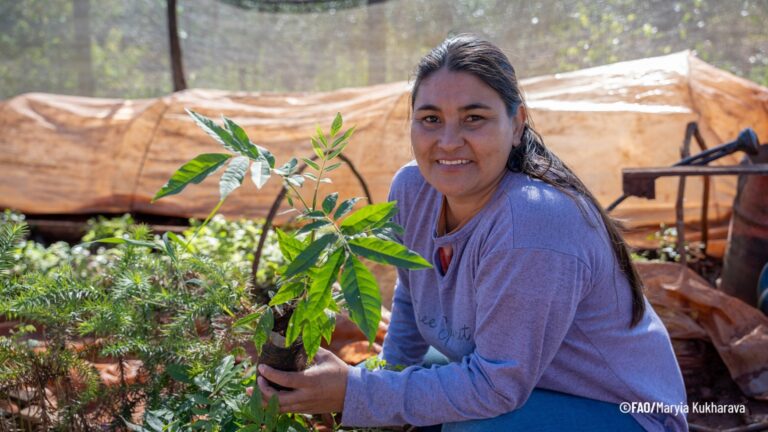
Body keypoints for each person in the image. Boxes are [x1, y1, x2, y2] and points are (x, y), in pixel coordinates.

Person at [256, 35, 688, 431]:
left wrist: (357, 392)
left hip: (625, 412)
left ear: (516, 124)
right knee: (420, 382)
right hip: (533, 386)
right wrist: (385, 381)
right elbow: (412, 290)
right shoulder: (413, 188)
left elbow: (498, 387)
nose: (448, 141)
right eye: (430, 118)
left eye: (473, 118)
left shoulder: (533, 220)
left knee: (471, 425)